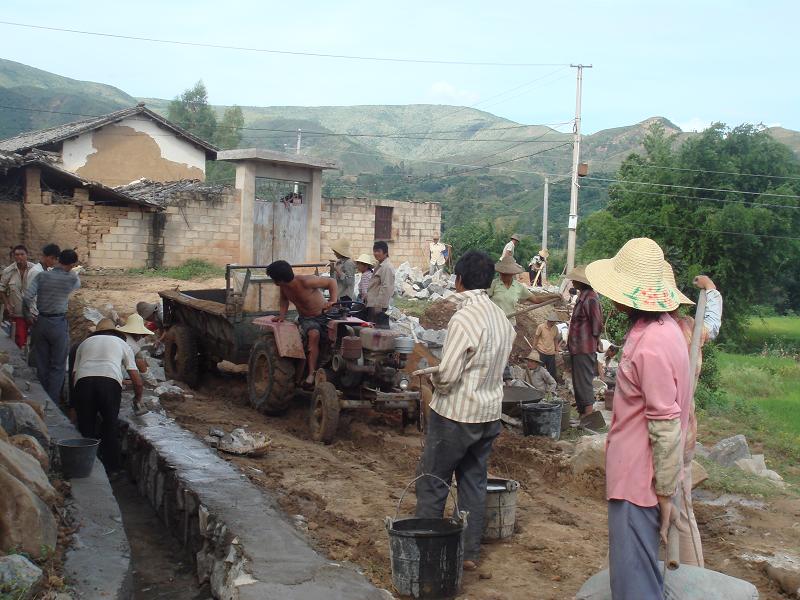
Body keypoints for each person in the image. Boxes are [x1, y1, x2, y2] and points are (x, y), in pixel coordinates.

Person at [585, 238, 691, 600]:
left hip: (638, 483)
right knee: (642, 575)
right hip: (641, 477)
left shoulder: (651, 346)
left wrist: (665, 495)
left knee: (635, 585)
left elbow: (664, 426)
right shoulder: (665, 332)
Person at [415, 250, 515, 572]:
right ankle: (469, 551)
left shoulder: (464, 319)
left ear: (458, 281)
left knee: (433, 480)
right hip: (489, 414)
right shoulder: (501, 317)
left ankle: (426, 548)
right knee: (473, 483)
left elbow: (448, 376)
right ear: (487, 281)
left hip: (457, 415)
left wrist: (435, 377)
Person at [663, 264, 723, 568]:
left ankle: (688, 578)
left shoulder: (657, 334)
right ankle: (685, 573)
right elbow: (711, 324)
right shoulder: (690, 328)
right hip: (683, 429)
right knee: (680, 506)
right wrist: (711, 291)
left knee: (662, 508)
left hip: (664, 434)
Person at [73, 318, 143, 476]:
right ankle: (112, 469)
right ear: (115, 332)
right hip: (109, 383)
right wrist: (137, 399)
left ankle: (85, 467)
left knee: (86, 427)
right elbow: (137, 381)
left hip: (83, 383)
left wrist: (76, 402)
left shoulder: (84, 344)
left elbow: (75, 376)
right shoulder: (122, 344)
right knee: (109, 426)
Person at [266, 260, 337, 387]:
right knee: (313, 334)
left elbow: (332, 281)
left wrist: (332, 301)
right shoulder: (284, 288)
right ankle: (311, 374)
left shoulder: (306, 281)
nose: (273, 281)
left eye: (273, 279)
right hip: (307, 319)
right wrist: (282, 315)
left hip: (325, 315)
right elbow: (283, 301)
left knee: (338, 336)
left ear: (279, 279)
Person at [24, 249, 81, 402]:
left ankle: (41, 398)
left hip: (41, 321)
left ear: (58, 259)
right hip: (58, 323)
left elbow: (27, 297)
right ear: (72, 264)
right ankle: (53, 401)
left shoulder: (42, 275)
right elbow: (77, 287)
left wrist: (28, 315)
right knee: (58, 365)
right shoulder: (71, 278)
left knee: (42, 363)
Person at [566, 265, 603, 419]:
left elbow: (597, 324)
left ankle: (588, 415)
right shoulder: (582, 298)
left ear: (582, 282)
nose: (572, 282)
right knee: (577, 381)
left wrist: (595, 339)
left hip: (584, 347)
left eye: (575, 280)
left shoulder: (591, 299)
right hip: (577, 347)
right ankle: (583, 413)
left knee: (583, 381)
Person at [487, 255, 543, 326]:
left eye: (505, 274)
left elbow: (536, 299)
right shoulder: (493, 284)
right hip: (494, 323)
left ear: (512, 274)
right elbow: (483, 300)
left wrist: (554, 296)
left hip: (510, 324)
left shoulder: (518, 287)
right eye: (501, 273)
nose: (502, 275)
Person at [1, 245, 34, 349]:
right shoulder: (8, 271)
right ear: (13, 257)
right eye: (16, 255)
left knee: (36, 341)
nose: (19, 257)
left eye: (22, 254)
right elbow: (1, 289)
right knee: (20, 340)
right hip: (17, 312)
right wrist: (7, 304)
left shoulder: (35, 270)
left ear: (27, 255)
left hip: (34, 312)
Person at [25, 243, 61, 320]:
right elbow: (28, 296)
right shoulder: (36, 272)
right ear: (45, 257)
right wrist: (29, 314)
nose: (54, 261)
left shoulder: (47, 271)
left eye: (55, 259)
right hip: (35, 314)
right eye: (52, 258)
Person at [366, 241, 395, 329]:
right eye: (374, 251)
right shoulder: (379, 265)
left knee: (378, 333)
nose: (375, 253)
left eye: (378, 251)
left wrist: (379, 306)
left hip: (378, 307)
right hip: (373, 304)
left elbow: (386, 288)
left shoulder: (387, 267)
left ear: (385, 253)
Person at [533, 311, 562, 380]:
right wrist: (533, 348)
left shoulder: (555, 328)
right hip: (541, 351)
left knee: (552, 371)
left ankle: (552, 384)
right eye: (553, 321)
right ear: (549, 320)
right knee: (539, 370)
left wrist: (556, 350)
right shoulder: (541, 327)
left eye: (555, 321)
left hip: (551, 353)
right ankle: (538, 383)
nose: (554, 323)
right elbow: (536, 337)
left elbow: (555, 339)